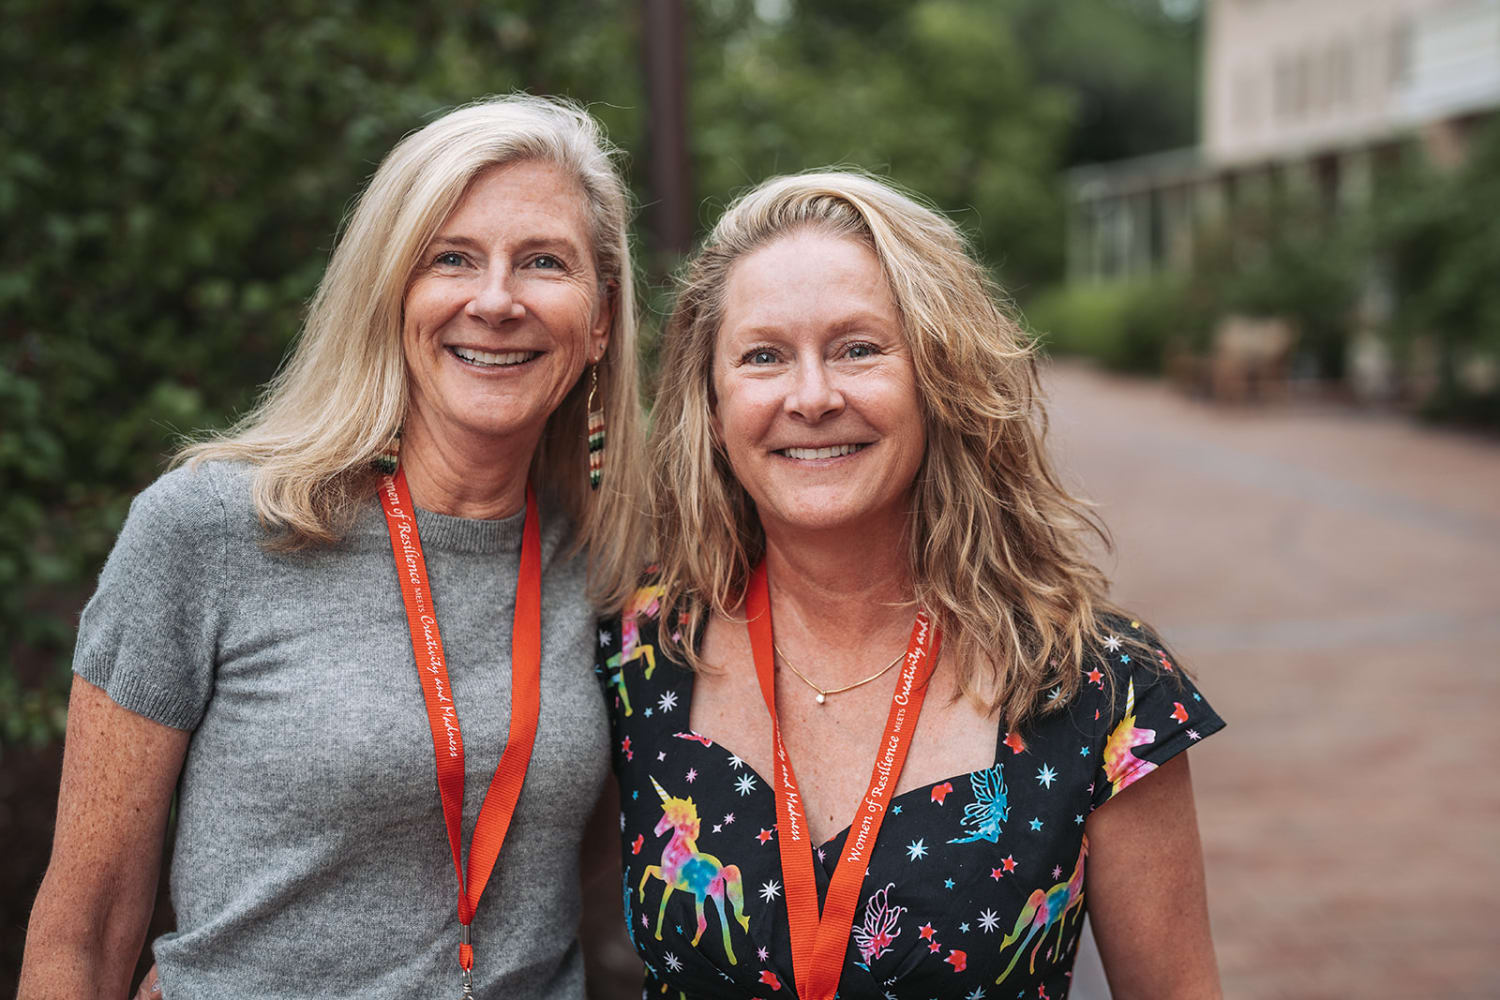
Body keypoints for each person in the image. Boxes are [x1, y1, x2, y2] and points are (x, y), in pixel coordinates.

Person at [19, 94, 646, 1000]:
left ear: (598, 320)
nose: (498, 299)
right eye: (452, 258)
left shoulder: (613, 564)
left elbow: (567, 854)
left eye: (544, 261)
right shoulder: (211, 530)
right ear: (390, 294)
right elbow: (83, 928)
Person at [596, 171, 1225, 999]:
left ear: (938, 377)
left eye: (859, 348)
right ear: (710, 403)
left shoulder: (1100, 688)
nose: (813, 396)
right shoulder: (637, 649)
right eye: (763, 356)